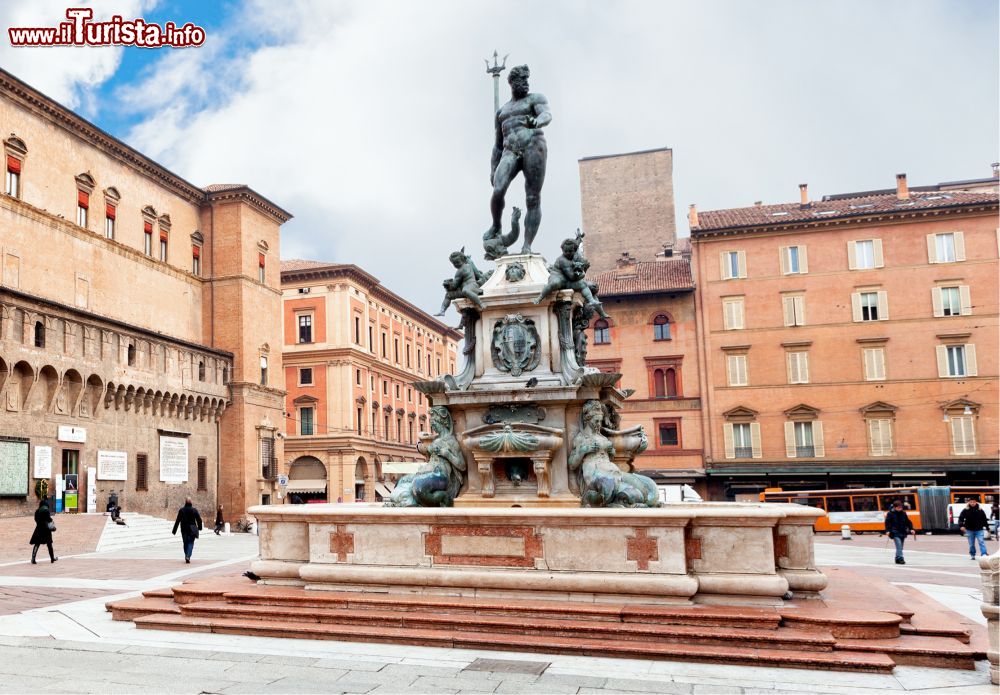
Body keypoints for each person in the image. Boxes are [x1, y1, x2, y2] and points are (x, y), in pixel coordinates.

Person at [488, 64, 551, 254]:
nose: (526, 83)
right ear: (511, 83)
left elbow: (546, 114)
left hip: (534, 146)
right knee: (498, 190)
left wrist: (536, 122)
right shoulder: (501, 112)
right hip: (510, 150)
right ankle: (496, 225)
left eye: (527, 79)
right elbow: (498, 145)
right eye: (521, 80)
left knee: (532, 198)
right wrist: (493, 168)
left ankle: (527, 245)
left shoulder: (535, 99)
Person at [171, 497, 203, 563]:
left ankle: (186, 555)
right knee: (190, 543)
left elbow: (178, 520)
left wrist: (174, 530)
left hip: (184, 528)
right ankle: (188, 556)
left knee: (185, 542)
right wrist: (200, 527)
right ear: (191, 502)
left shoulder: (181, 510)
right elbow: (199, 519)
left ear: (185, 502)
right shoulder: (194, 510)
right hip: (192, 529)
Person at [884, 499, 914, 565]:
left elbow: (908, 521)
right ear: (894, 507)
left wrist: (911, 529)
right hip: (894, 532)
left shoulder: (903, 513)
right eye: (898, 507)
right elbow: (887, 523)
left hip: (902, 532)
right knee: (899, 545)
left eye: (901, 507)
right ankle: (901, 558)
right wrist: (888, 530)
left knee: (900, 547)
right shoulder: (890, 514)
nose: (900, 508)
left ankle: (897, 558)